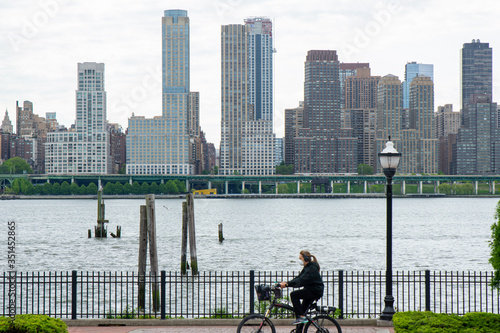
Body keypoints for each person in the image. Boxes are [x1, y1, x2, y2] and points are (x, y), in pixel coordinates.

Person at [280, 250, 324, 325]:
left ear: (305, 259)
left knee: (294, 295)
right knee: (301, 313)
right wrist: (287, 283)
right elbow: (298, 277)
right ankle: (300, 325)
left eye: (300, 258)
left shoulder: (311, 269)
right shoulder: (307, 267)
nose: (299, 260)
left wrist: (287, 285)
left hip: (315, 291)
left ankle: (301, 317)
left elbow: (301, 280)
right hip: (311, 290)